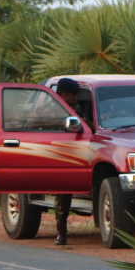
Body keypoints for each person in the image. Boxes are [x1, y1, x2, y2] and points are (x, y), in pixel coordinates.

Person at [52, 77, 88, 246]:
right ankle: (61, 232)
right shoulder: (49, 109)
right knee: (62, 192)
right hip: (54, 155)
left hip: (73, 153)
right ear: (65, 94)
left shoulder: (76, 109)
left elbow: (88, 126)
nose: (75, 98)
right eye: (73, 95)